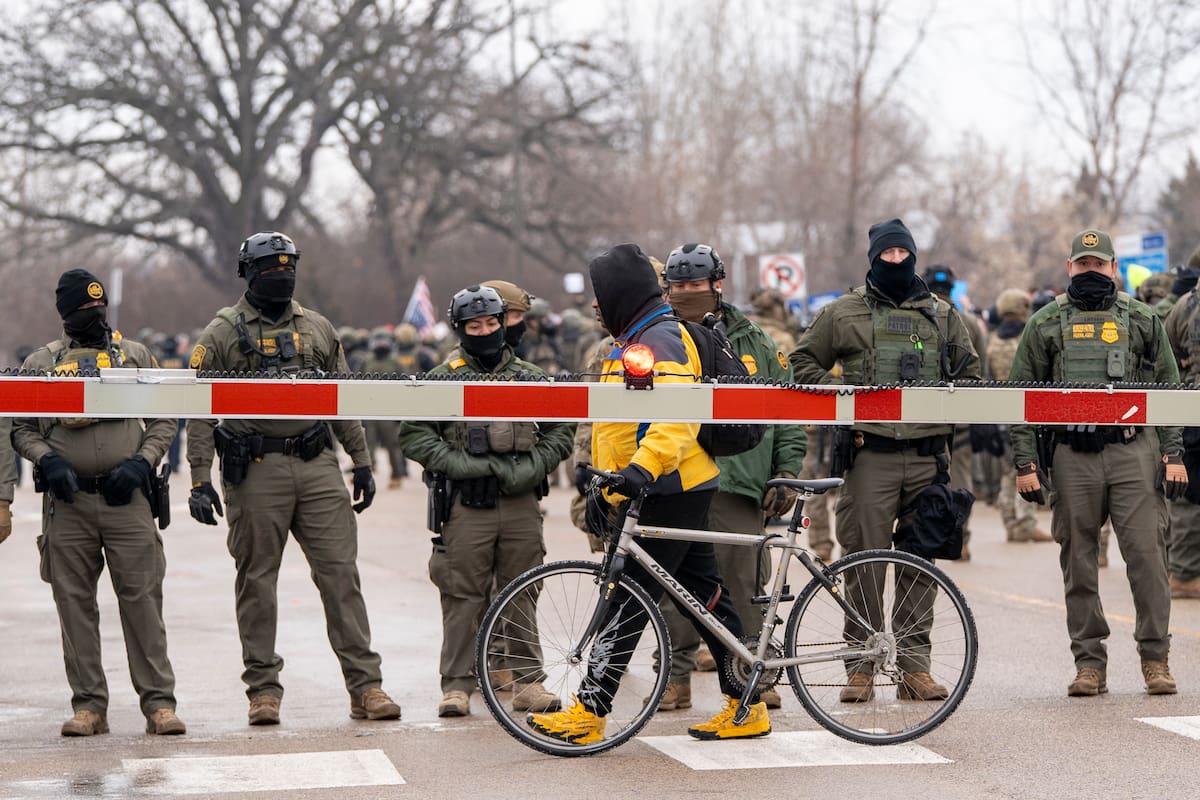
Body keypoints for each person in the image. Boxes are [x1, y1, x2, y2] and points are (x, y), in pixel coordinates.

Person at [527, 243, 770, 744]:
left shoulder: (660, 336)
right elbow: (621, 422)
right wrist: (604, 480)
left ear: (621, 293)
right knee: (706, 598)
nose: (595, 305)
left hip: (669, 486)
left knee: (627, 600)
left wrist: (639, 472)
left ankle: (589, 712)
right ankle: (747, 704)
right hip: (667, 484)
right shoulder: (633, 338)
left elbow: (677, 417)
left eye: (600, 294)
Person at [186, 231, 401, 726]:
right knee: (258, 582)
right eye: (269, 269)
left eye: (288, 268)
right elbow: (198, 407)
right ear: (248, 274)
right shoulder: (222, 331)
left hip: (317, 464)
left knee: (341, 576)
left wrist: (362, 461)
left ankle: (365, 687)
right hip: (255, 469)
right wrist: (199, 478)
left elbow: (341, 397)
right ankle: (263, 689)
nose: (281, 277)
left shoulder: (318, 329)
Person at [789, 218, 982, 703]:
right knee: (863, 566)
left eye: (903, 254)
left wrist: (947, 396)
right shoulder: (844, 312)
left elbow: (972, 374)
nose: (896, 262)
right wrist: (845, 397)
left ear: (913, 257)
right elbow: (802, 362)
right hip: (868, 454)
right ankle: (861, 665)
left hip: (926, 458)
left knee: (920, 565)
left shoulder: (942, 316)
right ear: (873, 258)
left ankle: (915, 668)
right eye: (887, 255)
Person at [1009, 228, 1183, 697]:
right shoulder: (1045, 322)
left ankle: (1155, 658)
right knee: (1079, 564)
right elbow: (1020, 397)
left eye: (1098, 264)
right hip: (1072, 458)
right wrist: (1025, 463)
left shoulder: (1143, 319)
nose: (1091, 272)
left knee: (1148, 559)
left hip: (1133, 453)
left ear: (1113, 269)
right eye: (1082, 265)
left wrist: (1174, 454)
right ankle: (1089, 663)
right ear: (1070, 268)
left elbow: (1170, 390)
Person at [12, 269, 184, 737]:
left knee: (143, 602)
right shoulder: (41, 363)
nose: (95, 319)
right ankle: (89, 705)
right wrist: (46, 460)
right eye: (85, 312)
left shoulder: (134, 357)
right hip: (68, 503)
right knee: (74, 605)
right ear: (65, 315)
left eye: (99, 310)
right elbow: (21, 426)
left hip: (127, 498)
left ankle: (159, 704)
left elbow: (164, 417)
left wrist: (143, 461)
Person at [398, 285, 574, 718]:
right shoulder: (444, 377)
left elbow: (561, 431)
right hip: (466, 504)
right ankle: (457, 685)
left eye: (492, 323)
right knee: (463, 594)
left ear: (504, 323)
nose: (485, 332)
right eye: (474, 326)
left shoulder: (531, 376)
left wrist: (534, 464)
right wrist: (459, 464)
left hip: (520, 502)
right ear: (461, 330)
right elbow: (414, 434)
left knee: (522, 590)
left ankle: (529, 682)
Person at [656, 243, 807, 712]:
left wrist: (786, 469)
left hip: (740, 481)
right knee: (675, 588)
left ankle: (754, 675)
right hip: (677, 476)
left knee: (744, 586)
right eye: (677, 286)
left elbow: (787, 409)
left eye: (695, 285)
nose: (686, 293)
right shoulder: (660, 338)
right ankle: (674, 679)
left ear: (716, 285)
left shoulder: (755, 341)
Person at [923, 265, 987, 559]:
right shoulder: (970, 322)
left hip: (922, 413)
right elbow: (980, 369)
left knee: (924, 478)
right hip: (960, 412)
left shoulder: (919, 313)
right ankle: (962, 539)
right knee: (960, 476)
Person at [986, 289, 1052, 544]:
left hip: (1000, 412)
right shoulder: (1028, 336)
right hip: (1025, 410)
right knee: (1027, 464)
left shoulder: (992, 340)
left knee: (1006, 471)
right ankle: (1026, 521)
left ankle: (1010, 522)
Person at [1162, 274, 1200, 599]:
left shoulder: (1182, 305)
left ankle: (1185, 571)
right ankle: (1186, 576)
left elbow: (1167, 358)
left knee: (1188, 495)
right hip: (1191, 408)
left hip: (1190, 408)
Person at [360, 326, 407, 488]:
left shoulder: (396, 362)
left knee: (392, 445)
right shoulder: (366, 360)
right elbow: (355, 382)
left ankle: (396, 475)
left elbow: (406, 385)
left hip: (389, 410)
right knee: (367, 445)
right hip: (369, 409)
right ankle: (365, 473)